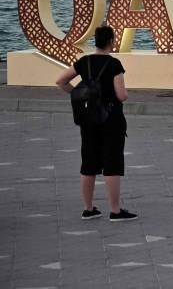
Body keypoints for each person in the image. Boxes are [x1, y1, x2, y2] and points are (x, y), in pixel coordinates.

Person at [55, 25, 138, 221]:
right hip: (111, 119)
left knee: (89, 162)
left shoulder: (84, 62)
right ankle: (115, 211)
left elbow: (61, 81)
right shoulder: (114, 64)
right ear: (111, 41)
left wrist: (79, 94)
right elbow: (122, 95)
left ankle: (88, 208)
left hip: (88, 119)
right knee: (112, 162)